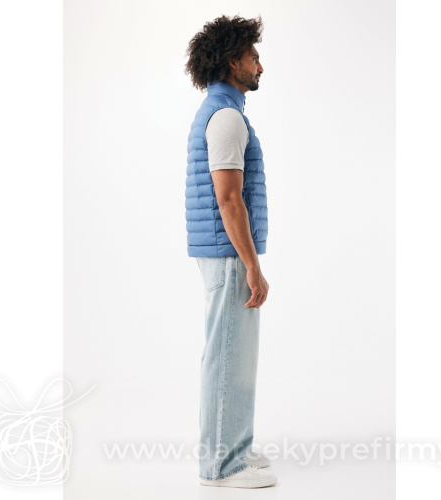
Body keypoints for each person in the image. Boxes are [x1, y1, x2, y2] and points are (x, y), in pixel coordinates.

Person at [184, 14, 277, 489]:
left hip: (226, 252)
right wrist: (252, 266)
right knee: (227, 354)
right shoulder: (225, 117)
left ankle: (233, 444)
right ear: (231, 61)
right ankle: (221, 466)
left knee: (236, 354)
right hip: (229, 254)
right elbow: (228, 198)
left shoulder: (224, 111)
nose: (260, 65)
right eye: (253, 56)